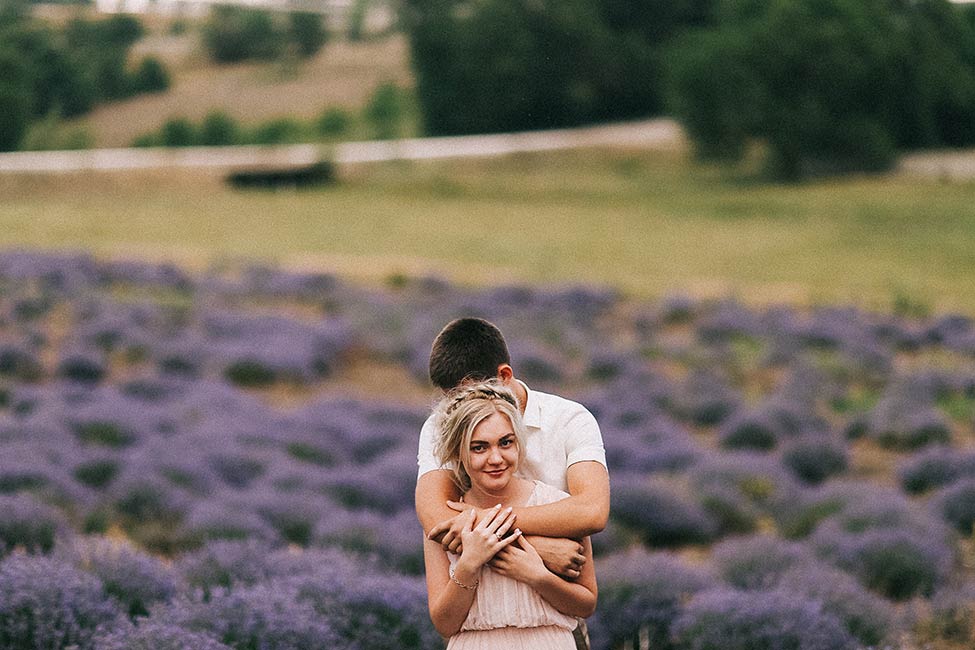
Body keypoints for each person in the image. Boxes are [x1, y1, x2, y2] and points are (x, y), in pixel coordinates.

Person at [415, 317, 609, 649]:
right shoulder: (443, 423)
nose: (458, 410)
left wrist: (488, 530)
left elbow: (591, 512)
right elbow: (436, 519)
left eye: (506, 443)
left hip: (554, 621)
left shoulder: (569, 419)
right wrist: (539, 547)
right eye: (478, 447)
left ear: (504, 376)